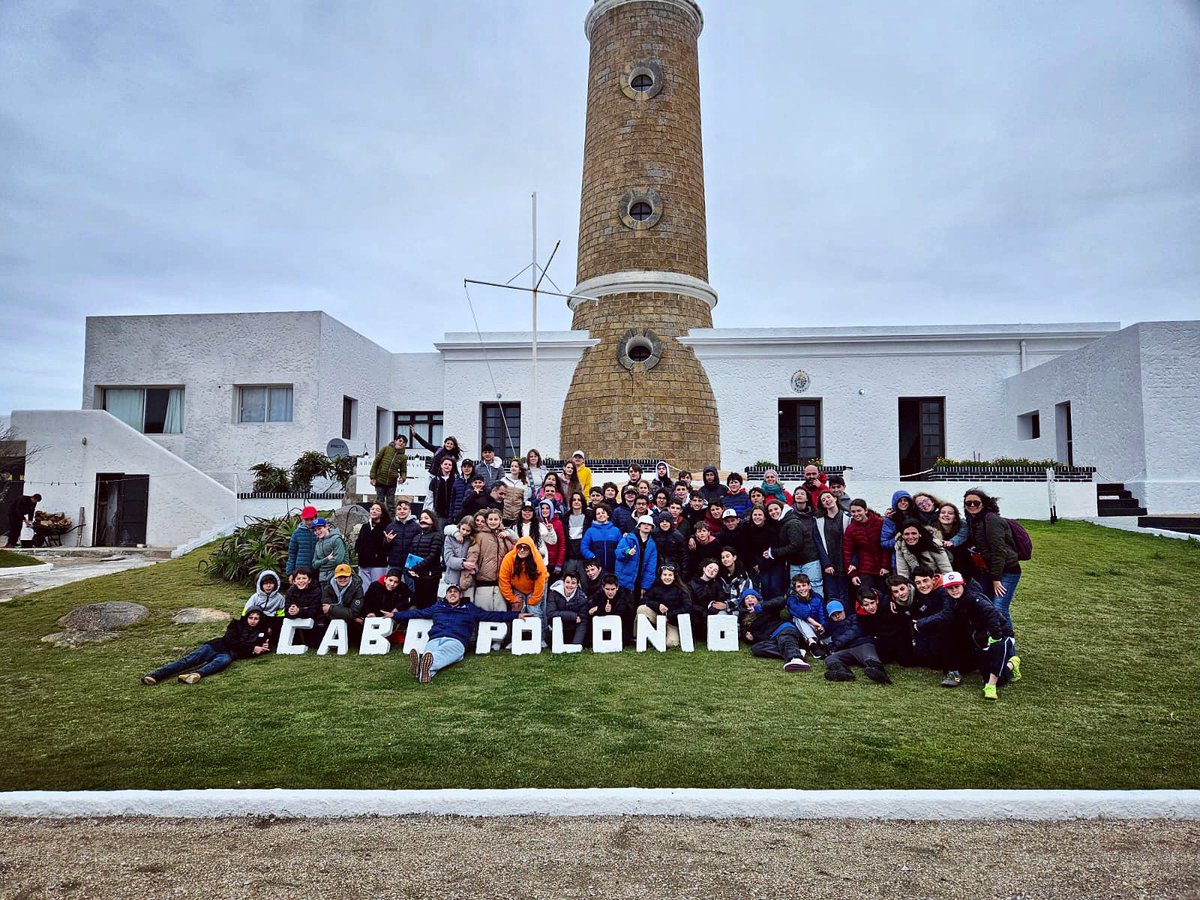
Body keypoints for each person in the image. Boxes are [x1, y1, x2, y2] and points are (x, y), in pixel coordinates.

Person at [394, 584, 531, 683]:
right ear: (446, 596)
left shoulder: (470, 609)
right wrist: (394, 615)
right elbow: (417, 613)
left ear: (460, 595)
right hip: (435, 639)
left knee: (441, 654)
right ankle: (425, 674)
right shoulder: (437, 607)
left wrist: (516, 615)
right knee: (433, 653)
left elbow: (491, 615)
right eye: (450, 592)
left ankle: (420, 666)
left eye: (455, 592)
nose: (452, 594)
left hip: (456, 641)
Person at [941, 571, 1021, 701]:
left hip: (1002, 633)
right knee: (994, 677)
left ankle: (990, 687)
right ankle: (1012, 663)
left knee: (997, 653)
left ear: (963, 585)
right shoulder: (953, 602)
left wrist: (996, 636)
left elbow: (992, 613)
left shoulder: (973, 597)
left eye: (957, 586)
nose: (954, 590)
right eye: (950, 588)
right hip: (983, 637)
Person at [142, 609, 272, 685]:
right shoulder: (236, 624)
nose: (253, 620)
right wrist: (252, 648)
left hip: (228, 654)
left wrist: (263, 649)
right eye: (251, 617)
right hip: (216, 646)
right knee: (189, 660)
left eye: (256, 618)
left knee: (221, 662)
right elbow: (230, 640)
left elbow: (263, 648)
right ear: (246, 617)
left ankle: (195, 675)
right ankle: (156, 675)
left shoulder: (262, 633)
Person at [964, 488, 1022, 627]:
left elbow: (999, 551)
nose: (972, 506)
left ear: (983, 504)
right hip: (988, 570)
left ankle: (1007, 644)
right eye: (968, 503)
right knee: (986, 606)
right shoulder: (974, 520)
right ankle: (994, 641)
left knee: (999, 609)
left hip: (1007, 571)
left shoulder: (991, 520)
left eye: (976, 503)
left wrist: (996, 579)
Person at [764, 497, 824, 598]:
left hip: (809, 562)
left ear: (782, 509)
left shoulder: (792, 523)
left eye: (776, 509)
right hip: (795, 563)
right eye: (770, 510)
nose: (773, 512)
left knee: (814, 589)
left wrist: (773, 552)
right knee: (797, 592)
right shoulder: (781, 523)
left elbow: (796, 545)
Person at [741, 588, 812, 672]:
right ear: (744, 602)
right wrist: (749, 639)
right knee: (756, 649)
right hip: (771, 640)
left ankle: (796, 659)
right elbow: (744, 634)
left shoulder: (766, 607)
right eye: (747, 598)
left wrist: (760, 607)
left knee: (785, 639)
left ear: (758, 600)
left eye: (753, 597)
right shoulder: (744, 618)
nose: (750, 599)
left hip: (783, 629)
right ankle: (795, 651)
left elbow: (781, 601)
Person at [821, 599, 891, 684]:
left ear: (844, 610)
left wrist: (836, 644)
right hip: (847, 650)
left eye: (839, 612)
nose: (837, 616)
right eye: (834, 615)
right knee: (830, 659)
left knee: (869, 657)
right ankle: (843, 672)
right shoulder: (832, 627)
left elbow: (856, 631)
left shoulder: (855, 617)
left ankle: (879, 672)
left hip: (862, 644)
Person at [460, 508, 515, 612]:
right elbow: (472, 556)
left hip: (501, 585)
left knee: (501, 616)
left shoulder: (504, 536)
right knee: (483, 616)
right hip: (483, 584)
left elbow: (515, 549)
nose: (493, 522)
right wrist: (465, 580)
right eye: (490, 519)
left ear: (500, 520)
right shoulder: (479, 536)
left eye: (495, 519)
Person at [636, 565, 693, 648]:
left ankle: (663, 636)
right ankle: (641, 637)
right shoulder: (655, 587)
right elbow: (644, 600)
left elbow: (688, 607)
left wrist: (669, 615)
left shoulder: (681, 589)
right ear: (661, 576)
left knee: (672, 643)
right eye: (665, 575)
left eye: (670, 575)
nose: (667, 577)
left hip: (672, 622)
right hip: (658, 618)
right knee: (641, 609)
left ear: (674, 577)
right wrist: (658, 605)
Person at [499, 537, 549, 631]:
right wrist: (512, 598)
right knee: (517, 609)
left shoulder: (537, 559)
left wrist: (533, 599)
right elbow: (503, 579)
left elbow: (540, 581)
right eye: (519, 547)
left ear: (531, 550)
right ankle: (517, 637)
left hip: (536, 587)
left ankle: (541, 638)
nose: (522, 550)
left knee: (534, 610)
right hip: (518, 587)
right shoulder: (509, 558)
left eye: (525, 548)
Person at [855, 585, 912, 665]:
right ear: (861, 606)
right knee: (883, 659)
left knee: (906, 662)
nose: (871, 607)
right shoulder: (861, 614)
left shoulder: (887, 603)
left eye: (872, 603)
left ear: (877, 600)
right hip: (881, 637)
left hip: (898, 633)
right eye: (866, 605)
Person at [843, 500, 889, 595]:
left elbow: (885, 546)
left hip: (882, 566)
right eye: (853, 512)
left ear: (865, 510)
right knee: (867, 596)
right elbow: (847, 552)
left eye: (859, 511)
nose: (856, 514)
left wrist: (885, 565)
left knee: (884, 596)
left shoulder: (879, 522)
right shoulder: (851, 529)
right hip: (864, 568)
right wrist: (853, 575)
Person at [813, 489, 849, 602]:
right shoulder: (819, 521)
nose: (827, 501)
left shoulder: (847, 517)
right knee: (832, 594)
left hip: (844, 562)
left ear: (835, 498)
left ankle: (847, 617)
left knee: (846, 593)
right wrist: (826, 564)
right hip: (829, 563)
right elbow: (819, 544)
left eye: (828, 497)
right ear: (822, 505)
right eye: (823, 500)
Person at [616, 515, 659, 605]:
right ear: (639, 526)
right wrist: (628, 552)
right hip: (624, 581)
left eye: (649, 524)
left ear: (652, 528)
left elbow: (651, 568)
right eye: (643, 524)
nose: (646, 526)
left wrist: (645, 586)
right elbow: (618, 552)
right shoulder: (628, 538)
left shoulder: (652, 545)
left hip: (639, 582)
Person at [407, 510, 444, 607]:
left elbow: (433, 555)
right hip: (418, 575)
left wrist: (417, 567)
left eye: (426, 518)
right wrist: (410, 569)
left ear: (433, 520)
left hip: (431, 575)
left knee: (429, 603)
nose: (423, 520)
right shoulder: (416, 537)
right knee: (419, 603)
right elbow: (412, 555)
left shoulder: (437, 535)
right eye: (421, 518)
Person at [784, 573, 826, 655]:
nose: (802, 589)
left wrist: (822, 626)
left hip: (816, 628)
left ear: (809, 586)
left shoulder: (817, 597)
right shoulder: (792, 599)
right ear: (795, 589)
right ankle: (812, 643)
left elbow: (822, 614)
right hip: (800, 630)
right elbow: (798, 611)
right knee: (797, 618)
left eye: (804, 585)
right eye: (798, 587)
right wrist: (812, 620)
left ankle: (817, 643)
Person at [283, 567, 325, 647]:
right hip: (296, 620)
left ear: (309, 580)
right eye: (298, 578)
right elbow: (286, 611)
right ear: (294, 581)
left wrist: (299, 611)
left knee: (315, 644)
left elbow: (314, 611)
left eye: (304, 578)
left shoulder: (316, 591)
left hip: (315, 621)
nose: (301, 581)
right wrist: (292, 611)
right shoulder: (289, 592)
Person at [588, 573, 636, 642]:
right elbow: (590, 609)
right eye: (607, 589)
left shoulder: (624, 594)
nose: (610, 592)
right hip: (603, 625)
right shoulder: (598, 594)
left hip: (621, 627)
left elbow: (624, 612)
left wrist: (604, 609)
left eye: (612, 589)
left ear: (617, 587)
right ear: (603, 588)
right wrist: (602, 609)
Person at [546, 571, 590, 645]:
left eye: (573, 583)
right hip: (557, 627)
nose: (570, 585)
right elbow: (550, 613)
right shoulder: (554, 593)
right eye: (567, 582)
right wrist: (572, 616)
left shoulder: (582, 598)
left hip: (573, 628)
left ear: (577, 585)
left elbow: (583, 620)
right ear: (563, 582)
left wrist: (576, 643)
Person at [369, 434, 408, 517]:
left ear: (405, 445)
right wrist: (373, 477)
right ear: (395, 440)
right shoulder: (386, 449)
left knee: (391, 504)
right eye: (400, 440)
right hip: (380, 481)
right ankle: (378, 520)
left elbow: (403, 470)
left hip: (392, 483)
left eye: (404, 442)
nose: (401, 443)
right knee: (380, 503)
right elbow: (376, 462)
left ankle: (391, 522)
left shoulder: (403, 457)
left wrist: (403, 478)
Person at [355, 502, 391, 585]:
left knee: (377, 588)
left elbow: (386, 546)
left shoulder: (386, 527)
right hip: (363, 563)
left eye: (377, 510)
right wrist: (358, 552)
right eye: (372, 509)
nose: (374, 511)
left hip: (378, 564)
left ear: (382, 514)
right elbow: (359, 541)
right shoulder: (365, 526)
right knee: (365, 590)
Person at [580, 503, 622, 573]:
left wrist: (616, 556)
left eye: (603, 513)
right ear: (595, 516)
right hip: (596, 568)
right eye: (598, 514)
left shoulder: (616, 530)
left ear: (608, 515)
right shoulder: (590, 531)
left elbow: (621, 547)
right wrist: (592, 557)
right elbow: (584, 547)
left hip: (614, 567)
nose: (601, 515)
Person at [383, 500, 420, 572]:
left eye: (405, 509)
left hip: (411, 562)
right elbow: (384, 548)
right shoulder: (390, 526)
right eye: (399, 509)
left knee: (410, 583)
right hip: (394, 562)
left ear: (410, 511)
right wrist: (388, 541)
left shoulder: (416, 527)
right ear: (396, 511)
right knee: (392, 583)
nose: (402, 511)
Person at [442, 515, 476, 592]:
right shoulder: (450, 538)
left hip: (468, 579)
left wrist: (475, 568)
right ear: (459, 526)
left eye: (468, 531)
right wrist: (463, 563)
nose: (464, 532)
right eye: (463, 529)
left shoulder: (472, 540)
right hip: (452, 578)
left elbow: (476, 556)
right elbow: (448, 558)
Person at [285, 505, 319, 583]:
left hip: (318, 569)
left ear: (316, 518)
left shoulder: (320, 531)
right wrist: (290, 573)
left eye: (311, 519)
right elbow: (292, 554)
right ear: (302, 519)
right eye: (306, 520)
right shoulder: (297, 533)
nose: (309, 522)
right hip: (301, 571)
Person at [564, 491, 595, 571]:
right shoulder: (565, 517)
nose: (576, 502)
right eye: (574, 500)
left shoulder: (589, 516)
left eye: (579, 500)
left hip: (584, 556)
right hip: (570, 556)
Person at [311, 517, 348, 584]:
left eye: (319, 528)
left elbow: (337, 560)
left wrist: (321, 566)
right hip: (323, 579)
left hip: (338, 578)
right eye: (315, 530)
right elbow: (314, 564)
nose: (317, 532)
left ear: (326, 527)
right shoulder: (318, 543)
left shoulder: (336, 539)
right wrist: (326, 559)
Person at [426, 456, 462, 523]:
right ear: (441, 465)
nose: (447, 466)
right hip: (439, 515)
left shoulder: (456, 480)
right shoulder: (435, 480)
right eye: (445, 464)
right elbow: (430, 497)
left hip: (453, 514)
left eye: (449, 465)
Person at [538, 499, 566, 579]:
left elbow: (562, 545)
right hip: (541, 560)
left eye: (547, 508)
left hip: (553, 563)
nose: (544, 510)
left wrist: (559, 564)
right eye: (542, 508)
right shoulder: (537, 523)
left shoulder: (558, 523)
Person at [501, 459, 530, 526]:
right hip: (504, 515)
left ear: (520, 469)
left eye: (516, 466)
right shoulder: (504, 480)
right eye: (512, 466)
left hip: (517, 515)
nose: (513, 468)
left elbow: (525, 500)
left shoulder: (524, 483)